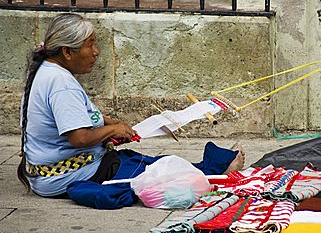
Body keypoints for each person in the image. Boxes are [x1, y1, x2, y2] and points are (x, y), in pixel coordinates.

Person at [18, 13, 244, 207]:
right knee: (158, 174)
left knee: (145, 161)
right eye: (90, 45)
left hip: (51, 173)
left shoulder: (46, 71)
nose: (96, 52)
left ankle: (212, 167)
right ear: (67, 52)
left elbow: (74, 117)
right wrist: (112, 130)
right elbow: (80, 138)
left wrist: (109, 124)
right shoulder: (61, 84)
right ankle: (215, 173)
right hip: (67, 175)